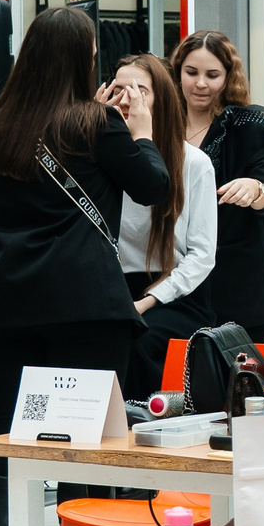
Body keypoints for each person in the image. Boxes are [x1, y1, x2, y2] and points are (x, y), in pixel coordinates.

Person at [0, 7, 170, 526]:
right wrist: (137, 130)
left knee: (9, 440)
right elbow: (154, 186)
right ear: (84, 60)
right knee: (86, 443)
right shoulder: (95, 122)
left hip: (4, 302)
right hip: (83, 302)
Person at [172, 31, 264, 345]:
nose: (200, 83)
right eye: (191, 73)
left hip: (238, 284)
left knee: (243, 387)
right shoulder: (160, 126)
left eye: (212, 75)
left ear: (228, 78)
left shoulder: (247, 127)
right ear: (178, 72)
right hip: (177, 283)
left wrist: (256, 189)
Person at [110, 53, 216, 402]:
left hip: (173, 292)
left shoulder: (193, 163)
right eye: (120, 90)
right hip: (114, 286)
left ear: (161, 100)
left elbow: (201, 255)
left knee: (139, 342)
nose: (128, 100)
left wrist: (147, 301)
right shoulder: (99, 158)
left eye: (140, 91)